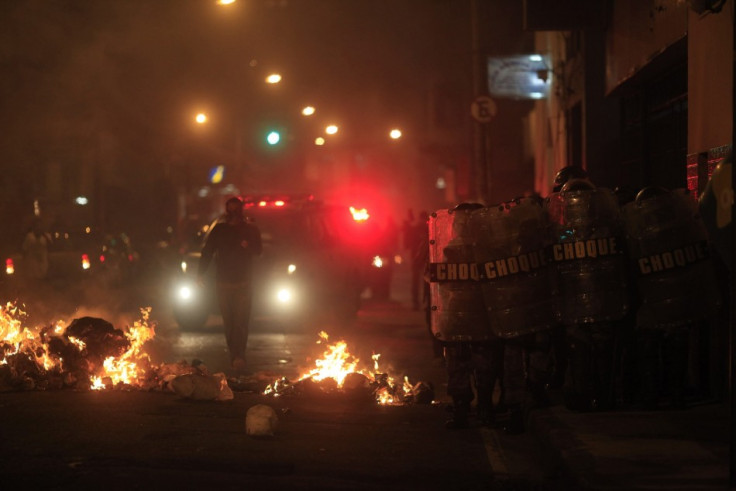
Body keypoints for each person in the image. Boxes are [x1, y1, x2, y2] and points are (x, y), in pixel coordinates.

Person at [197, 196, 262, 372]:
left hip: (243, 283)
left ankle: (239, 355)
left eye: (236, 210)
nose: (233, 213)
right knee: (229, 322)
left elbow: (258, 250)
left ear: (241, 211)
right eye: (230, 210)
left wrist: (247, 246)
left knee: (241, 321)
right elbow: (207, 251)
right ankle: (234, 354)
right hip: (223, 283)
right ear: (227, 211)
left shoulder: (250, 230)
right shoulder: (219, 230)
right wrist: (200, 273)